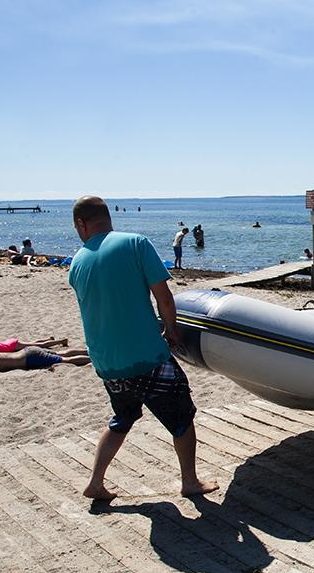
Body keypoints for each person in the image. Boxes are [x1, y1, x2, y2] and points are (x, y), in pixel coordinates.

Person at [68, 196, 217, 500]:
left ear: (81, 224)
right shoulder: (135, 243)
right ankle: (190, 481)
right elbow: (164, 297)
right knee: (181, 418)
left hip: (107, 363)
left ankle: (96, 482)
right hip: (147, 356)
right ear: (107, 217)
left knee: (122, 419)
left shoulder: (77, 261)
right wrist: (172, 330)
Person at [0, 340, 91, 378]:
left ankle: (93, 359)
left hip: (31, 358)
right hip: (28, 351)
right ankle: (89, 352)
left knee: (64, 360)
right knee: (61, 353)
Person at [0, 327, 68, 353]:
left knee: (39, 346)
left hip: (12, 346)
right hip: (8, 343)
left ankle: (60, 341)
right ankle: (48, 339)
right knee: (33, 342)